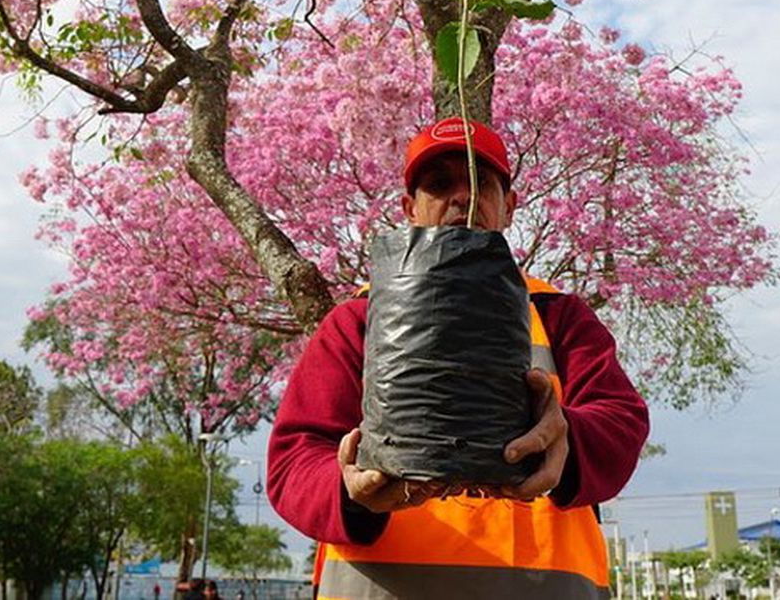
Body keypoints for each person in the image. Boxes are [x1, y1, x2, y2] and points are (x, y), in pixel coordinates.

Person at [267, 117, 650, 598]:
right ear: (411, 208)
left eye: (481, 184)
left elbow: (622, 422)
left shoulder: (560, 316)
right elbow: (293, 460)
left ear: (508, 207)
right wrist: (349, 491)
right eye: (439, 184)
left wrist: (565, 437)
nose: (463, 198)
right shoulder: (355, 323)